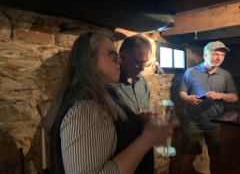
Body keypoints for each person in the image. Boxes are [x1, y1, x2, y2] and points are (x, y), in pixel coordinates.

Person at [44, 30, 179, 174]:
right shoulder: (87, 108)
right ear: (89, 59)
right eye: (112, 54)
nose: (119, 60)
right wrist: (147, 139)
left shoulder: (104, 96)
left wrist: (136, 121)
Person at [179, 41, 238, 174]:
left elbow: (234, 97)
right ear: (205, 54)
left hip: (216, 125)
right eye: (215, 54)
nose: (219, 58)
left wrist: (219, 95)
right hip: (193, 123)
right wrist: (188, 98)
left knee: (216, 159)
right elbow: (182, 91)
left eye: (222, 55)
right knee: (189, 156)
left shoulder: (225, 75)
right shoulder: (191, 72)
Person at [117, 34, 152, 113]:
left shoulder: (142, 81)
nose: (142, 68)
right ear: (122, 57)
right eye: (139, 62)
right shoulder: (111, 85)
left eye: (145, 63)